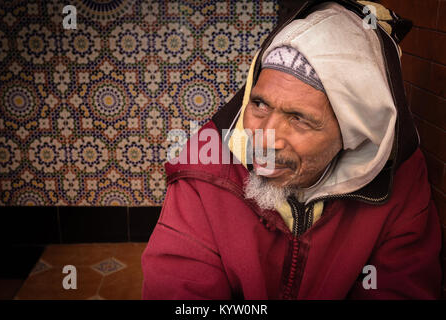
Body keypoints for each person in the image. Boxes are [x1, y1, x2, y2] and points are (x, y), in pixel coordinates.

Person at [141, 0, 442, 299]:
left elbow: (400, 288)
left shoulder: (398, 178)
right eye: (259, 104)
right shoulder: (205, 165)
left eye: (299, 119)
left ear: (353, 134)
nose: (264, 139)